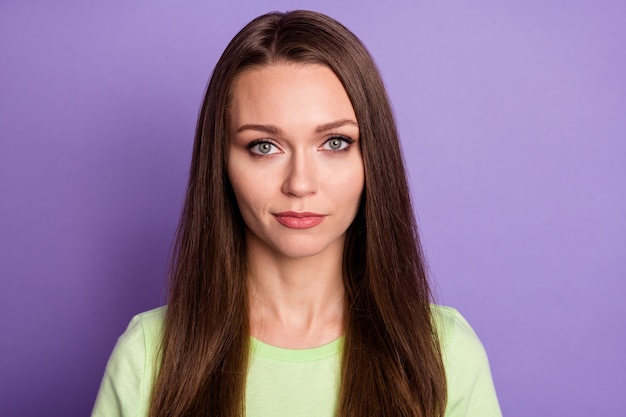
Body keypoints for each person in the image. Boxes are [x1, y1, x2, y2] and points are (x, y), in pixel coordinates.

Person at [92, 10, 502, 417]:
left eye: (336, 143)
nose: (300, 183)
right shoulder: (148, 355)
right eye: (264, 146)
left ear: (373, 158)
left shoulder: (444, 351)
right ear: (221, 162)